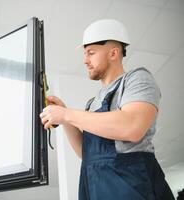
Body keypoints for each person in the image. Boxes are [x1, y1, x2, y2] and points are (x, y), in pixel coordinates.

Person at [39, 19, 174, 200]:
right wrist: (65, 120)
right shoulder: (92, 103)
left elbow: (132, 127)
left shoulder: (137, 79)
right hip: (94, 185)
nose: (85, 60)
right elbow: (85, 154)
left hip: (131, 186)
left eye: (91, 53)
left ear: (113, 53)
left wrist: (67, 114)